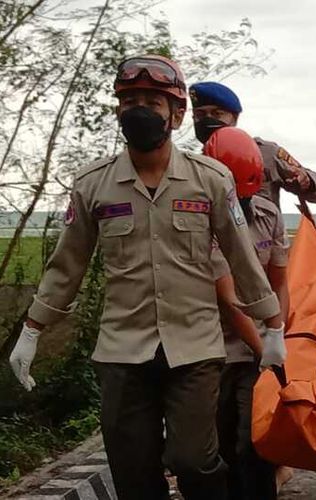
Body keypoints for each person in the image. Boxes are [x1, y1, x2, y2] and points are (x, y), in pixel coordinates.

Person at [8, 55, 284, 500]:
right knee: (133, 473)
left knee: (193, 459)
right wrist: (32, 330)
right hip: (122, 349)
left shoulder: (210, 179)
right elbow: (68, 263)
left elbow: (240, 255)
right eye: (130, 99)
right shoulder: (93, 184)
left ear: (175, 114)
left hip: (194, 347)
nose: (140, 109)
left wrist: (272, 324)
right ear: (118, 110)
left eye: (152, 101)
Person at [203, 127, 290, 500]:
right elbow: (231, 300)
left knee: (256, 441)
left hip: (264, 345)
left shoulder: (267, 214)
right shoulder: (201, 220)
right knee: (224, 447)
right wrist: (265, 349)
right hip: (217, 347)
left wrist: (279, 331)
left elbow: (280, 282)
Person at [189, 81, 316, 208]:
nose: (208, 120)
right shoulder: (190, 165)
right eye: (200, 115)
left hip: (260, 233)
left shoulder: (265, 153)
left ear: (234, 118)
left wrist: (307, 182)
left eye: (217, 114)